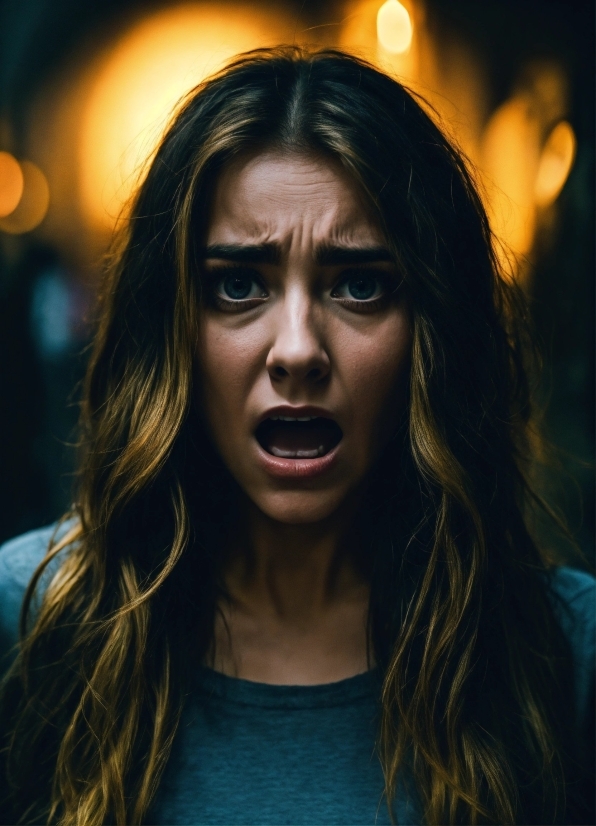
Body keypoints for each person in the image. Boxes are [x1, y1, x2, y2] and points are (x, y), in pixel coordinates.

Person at [0, 47, 593, 826]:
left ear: (432, 333)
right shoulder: (32, 619)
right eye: (238, 284)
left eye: (360, 284)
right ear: (173, 325)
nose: (298, 350)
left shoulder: (561, 656)